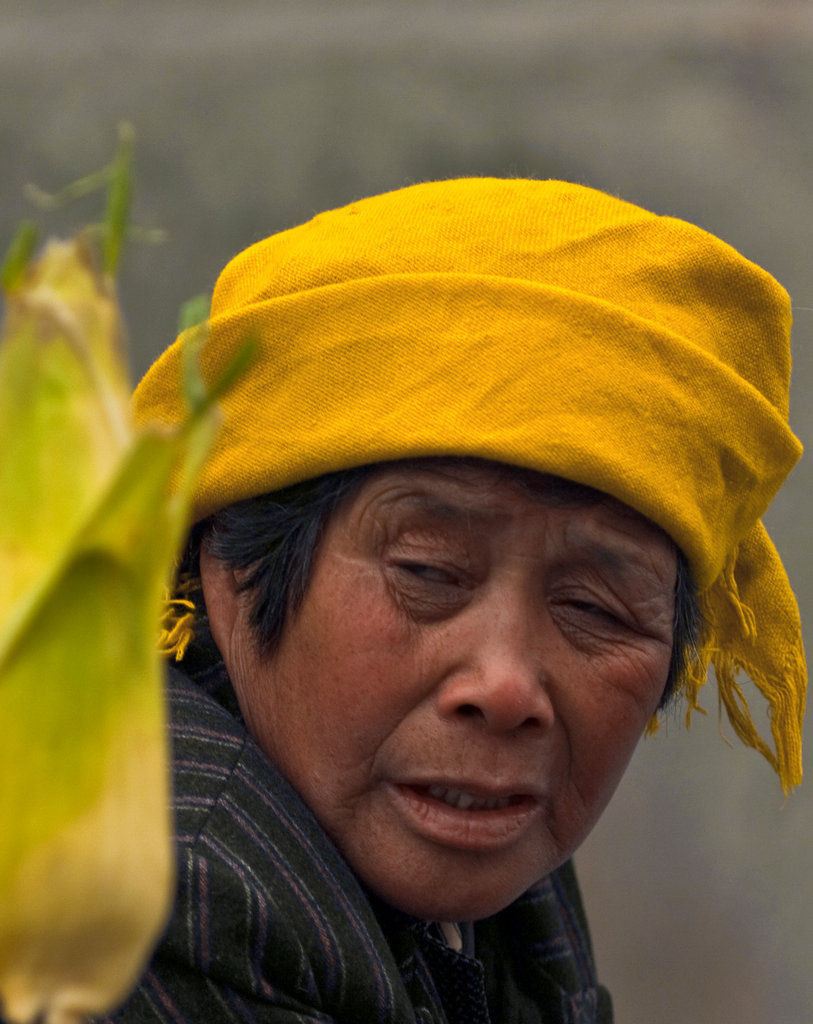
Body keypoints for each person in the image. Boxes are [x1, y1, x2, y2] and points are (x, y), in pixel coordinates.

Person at [104, 178, 806, 1024]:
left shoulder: (480, 850)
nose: (506, 689)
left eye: (595, 608)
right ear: (229, 564)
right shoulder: (156, 891)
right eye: (427, 570)